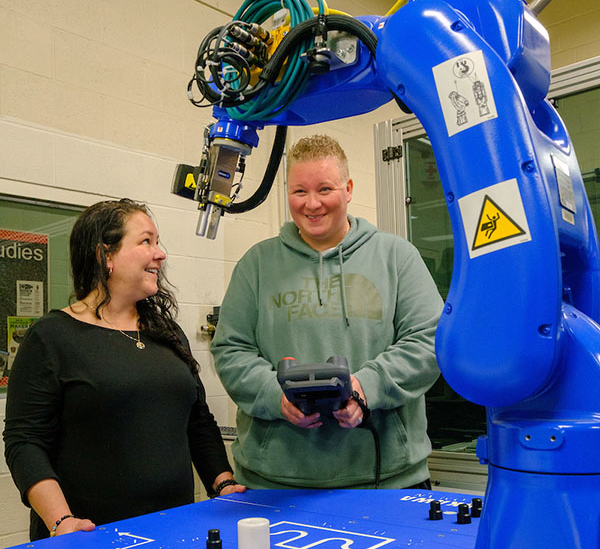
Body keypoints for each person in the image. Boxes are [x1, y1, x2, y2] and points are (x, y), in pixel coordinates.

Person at [3, 199, 245, 541]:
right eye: (146, 241)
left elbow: (198, 420)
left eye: (157, 242)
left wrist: (223, 482)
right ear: (107, 255)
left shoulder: (168, 333)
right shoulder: (52, 337)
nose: (159, 254)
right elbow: (24, 441)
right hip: (89, 535)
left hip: (173, 528)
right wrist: (62, 522)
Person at [211, 134, 443, 490]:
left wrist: (365, 387)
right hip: (275, 483)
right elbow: (231, 350)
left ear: (348, 188)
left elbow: (429, 342)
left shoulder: (397, 257)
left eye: (325, 189)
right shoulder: (256, 265)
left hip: (388, 480)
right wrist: (276, 396)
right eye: (299, 192)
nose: (312, 204)